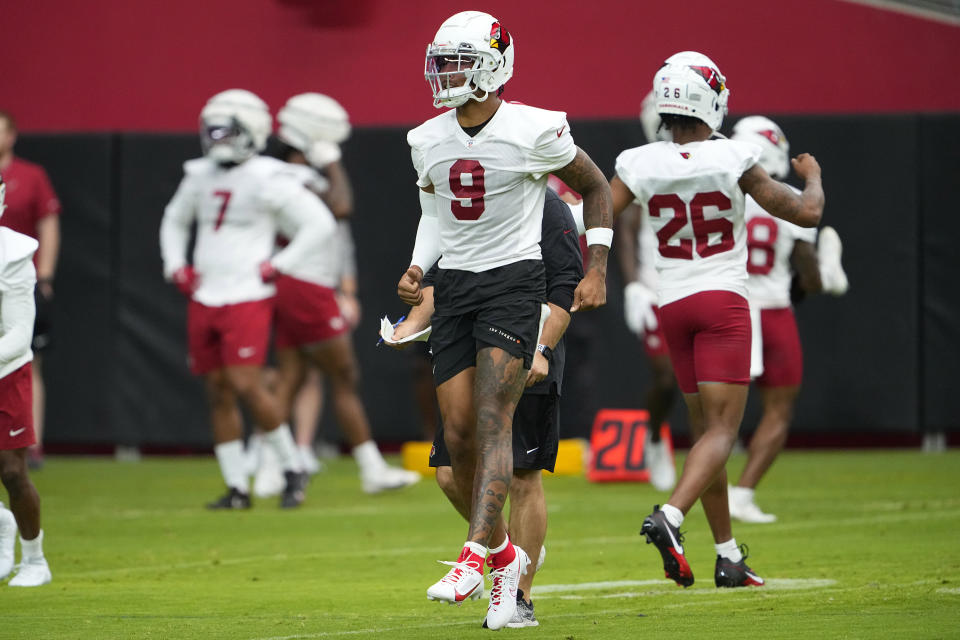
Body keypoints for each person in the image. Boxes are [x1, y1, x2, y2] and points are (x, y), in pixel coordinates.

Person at [396, 11, 613, 629]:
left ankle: (474, 555)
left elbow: (595, 187)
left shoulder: (535, 128)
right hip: (457, 287)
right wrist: (417, 267)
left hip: (515, 284)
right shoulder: (426, 139)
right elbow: (434, 214)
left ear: (494, 64)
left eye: (457, 61)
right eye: (441, 61)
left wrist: (596, 265)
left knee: (495, 423)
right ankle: (504, 556)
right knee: (458, 437)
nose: (444, 74)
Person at [610, 51, 824, 588]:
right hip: (723, 300)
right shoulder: (735, 156)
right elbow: (806, 212)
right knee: (722, 433)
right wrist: (814, 177)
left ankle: (728, 555)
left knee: (706, 435)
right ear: (712, 99)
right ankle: (672, 516)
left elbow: (594, 215)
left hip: (672, 303)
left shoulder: (638, 161)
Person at [390, 187, 583, 628]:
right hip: (475, 346)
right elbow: (447, 284)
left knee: (521, 475)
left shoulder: (545, 206)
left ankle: (521, 596)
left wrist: (543, 349)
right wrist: (408, 326)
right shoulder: (470, 201)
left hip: (528, 341)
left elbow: (564, 288)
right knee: (449, 471)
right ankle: (507, 554)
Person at [159, 89, 334, 509]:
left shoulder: (269, 175)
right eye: (213, 132)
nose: (219, 140)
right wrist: (175, 264)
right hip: (206, 293)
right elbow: (174, 219)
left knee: (245, 383)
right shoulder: (199, 174)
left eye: (228, 132)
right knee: (217, 390)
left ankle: (292, 467)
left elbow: (320, 224)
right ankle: (237, 486)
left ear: (251, 131)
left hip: (247, 293)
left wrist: (279, 262)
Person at [261, 92, 420, 494]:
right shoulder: (294, 176)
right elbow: (342, 205)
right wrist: (330, 160)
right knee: (344, 374)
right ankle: (369, 468)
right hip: (306, 285)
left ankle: (271, 468)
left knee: (293, 377)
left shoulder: (279, 175)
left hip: (297, 283)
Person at [727, 115, 848, 523]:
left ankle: (703, 497)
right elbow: (807, 274)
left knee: (717, 416)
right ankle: (741, 494)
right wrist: (823, 280)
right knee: (778, 409)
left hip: (729, 309)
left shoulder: (722, 193)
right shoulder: (786, 198)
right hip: (772, 309)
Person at [0, 110, 61, 471]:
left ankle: (29, 442)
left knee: (26, 361)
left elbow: (48, 223)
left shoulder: (30, 175)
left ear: (12, 136)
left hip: (17, 278)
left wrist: (46, 273)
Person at [0, 175, 52, 586]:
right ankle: (3, 528)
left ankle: (35, 558)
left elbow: (19, 333)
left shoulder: (14, 253)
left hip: (6, 370)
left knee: (12, 471)